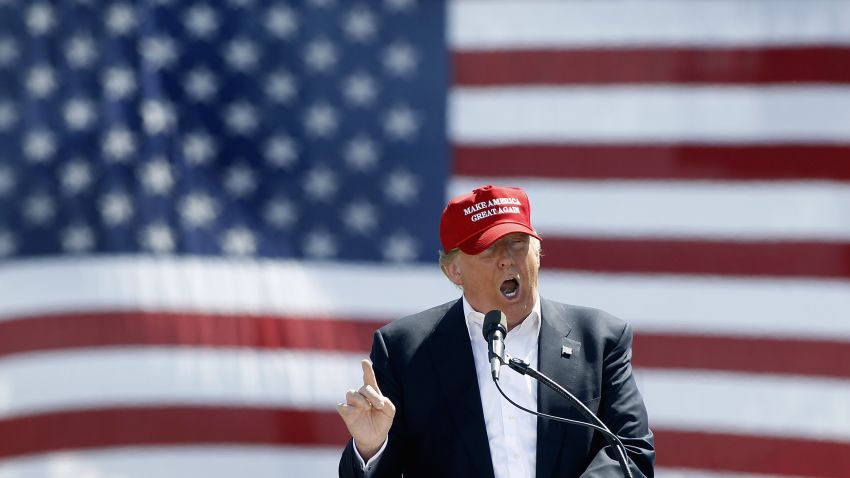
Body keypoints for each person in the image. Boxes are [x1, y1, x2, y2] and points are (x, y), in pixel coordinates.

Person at [337, 185, 655, 477]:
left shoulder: (598, 340)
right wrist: (371, 449)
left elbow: (631, 452)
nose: (507, 259)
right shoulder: (404, 350)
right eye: (488, 248)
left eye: (517, 243)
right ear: (454, 270)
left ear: (537, 253)